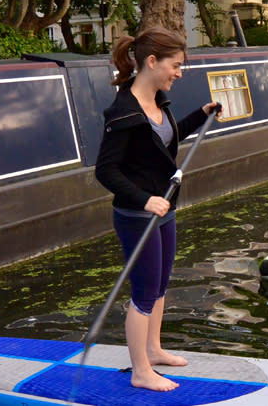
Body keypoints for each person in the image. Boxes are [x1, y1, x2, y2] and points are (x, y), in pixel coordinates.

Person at [95, 26, 221, 392]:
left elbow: (163, 142)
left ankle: (153, 348)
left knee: (161, 284)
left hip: (165, 209)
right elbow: (105, 170)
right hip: (138, 216)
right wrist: (143, 199)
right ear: (152, 62)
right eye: (176, 65)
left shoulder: (159, 102)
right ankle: (140, 371)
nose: (179, 73)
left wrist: (200, 115)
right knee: (144, 292)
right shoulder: (122, 112)